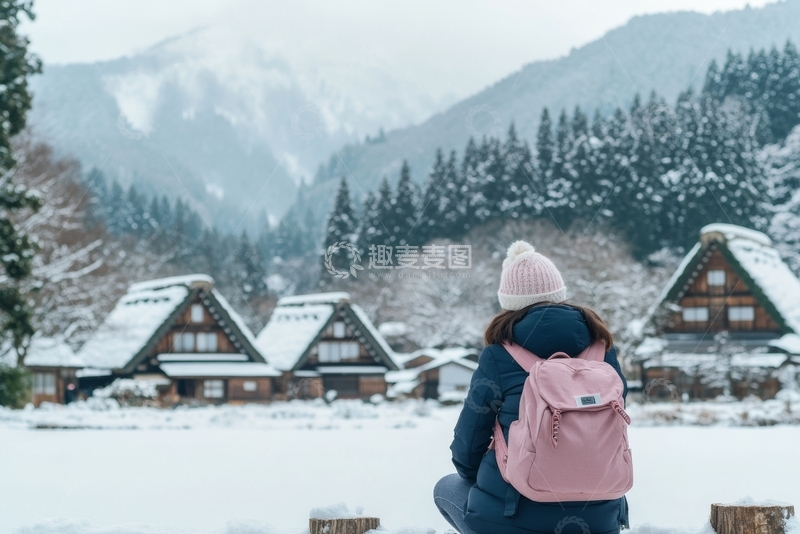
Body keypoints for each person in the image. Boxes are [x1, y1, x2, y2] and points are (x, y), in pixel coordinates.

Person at [433, 240, 629, 534]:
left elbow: (469, 442)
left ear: (508, 302)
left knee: (446, 487)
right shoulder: (603, 351)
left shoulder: (498, 356)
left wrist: (487, 475)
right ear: (559, 293)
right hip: (600, 520)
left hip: (511, 518)